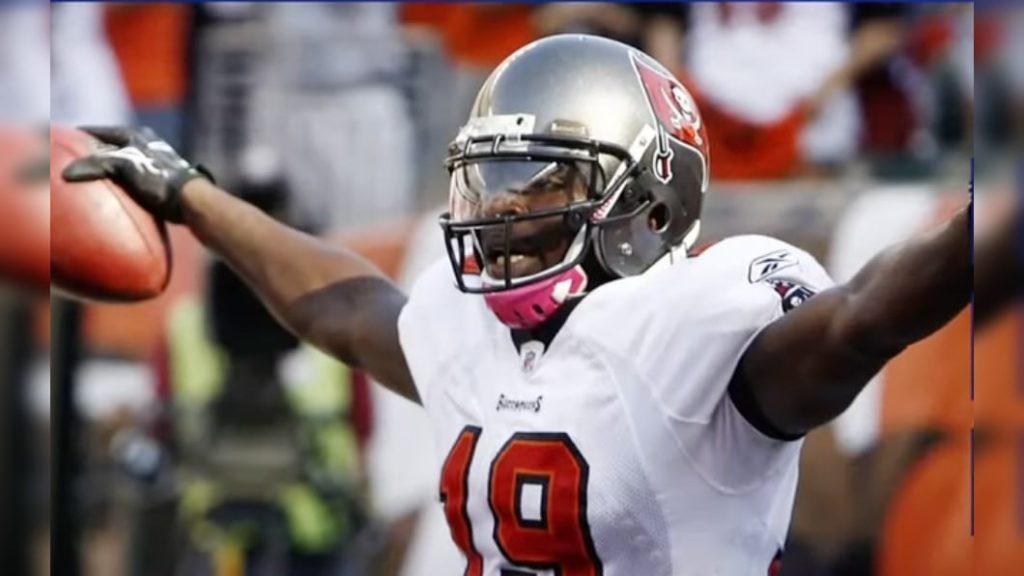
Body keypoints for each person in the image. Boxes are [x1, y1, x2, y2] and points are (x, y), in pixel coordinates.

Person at [64, 35, 1013, 575]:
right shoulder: (474, 332)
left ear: (649, 206)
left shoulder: (697, 328)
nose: (497, 211)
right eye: (488, 179)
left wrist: (993, 229)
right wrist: (191, 194)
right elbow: (343, 312)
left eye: (537, 180)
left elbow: (866, 314)